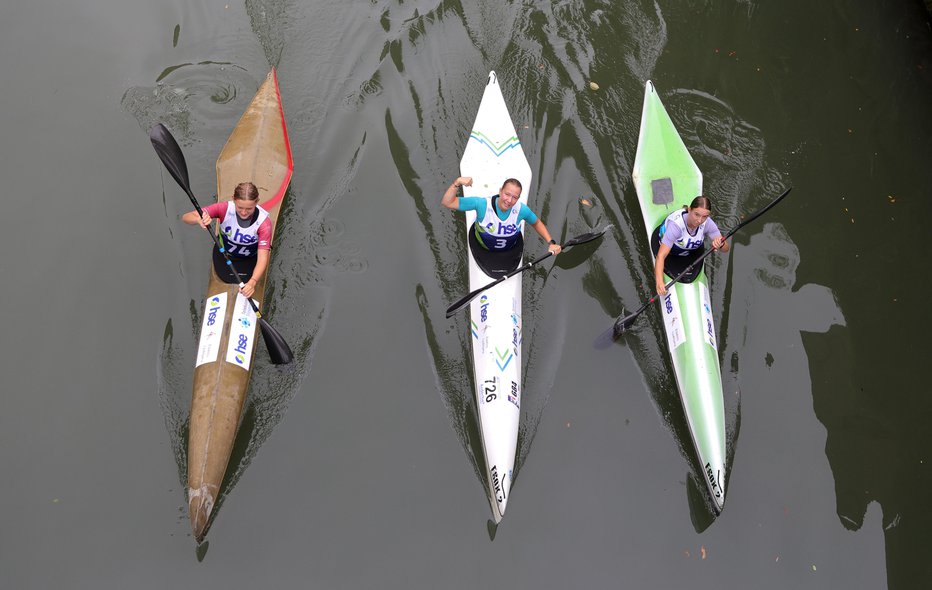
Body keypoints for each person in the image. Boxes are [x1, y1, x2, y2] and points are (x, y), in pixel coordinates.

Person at [441, 176, 562, 265]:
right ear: (500, 191)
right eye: (507, 194)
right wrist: (457, 183)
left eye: (514, 197)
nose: (509, 200)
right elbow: (447, 202)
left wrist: (551, 242)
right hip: (483, 250)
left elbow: (536, 223)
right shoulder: (481, 204)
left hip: (509, 252)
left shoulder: (521, 210)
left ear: (518, 199)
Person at [181, 181, 271, 298]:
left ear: (257, 202)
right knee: (226, 277)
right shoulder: (223, 208)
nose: (244, 212)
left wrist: (253, 282)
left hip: (250, 260)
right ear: (233, 199)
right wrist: (198, 219)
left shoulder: (264, 224)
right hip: (224, 256)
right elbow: (185, 217)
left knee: (248, 283)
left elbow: (263, 257)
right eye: (240, 207)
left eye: (249, 208)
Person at [653, 195, 729, 296]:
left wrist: (721, 243)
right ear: (689, 210)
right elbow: (660, 256)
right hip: (671, 254)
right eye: (696, 214)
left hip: (690, 252)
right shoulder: (676, 227)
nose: (699, 220)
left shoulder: (708, 223)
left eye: (705, 216)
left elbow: (726, 249)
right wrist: (659, 282)